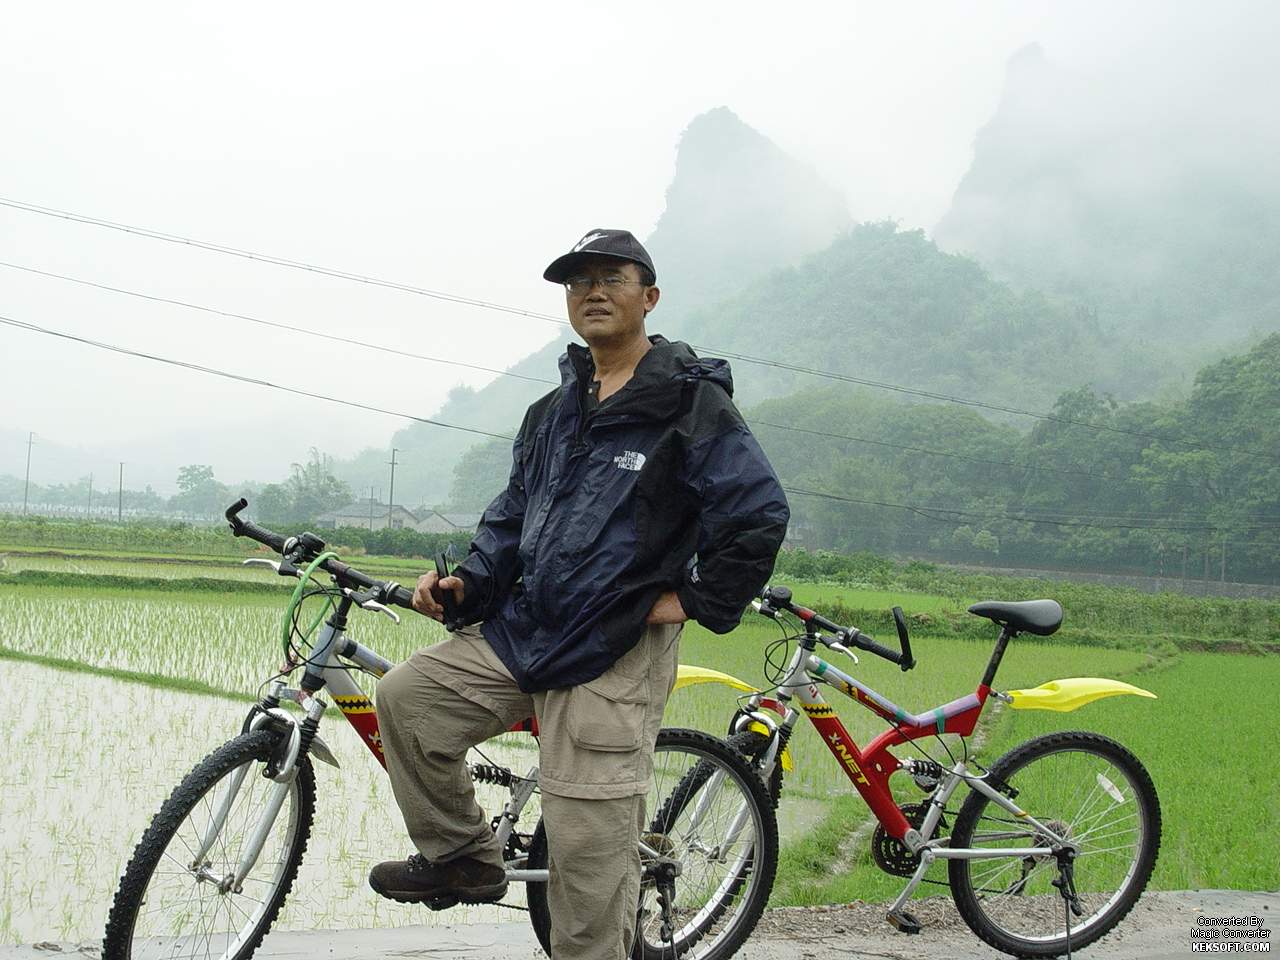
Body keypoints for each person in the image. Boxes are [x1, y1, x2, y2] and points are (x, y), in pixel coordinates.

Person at [371, 228, 790, 959]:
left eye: (610, 278)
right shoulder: (553, 411)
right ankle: (465, 855)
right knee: (408, 701)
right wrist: (470, 581)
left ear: (648, 297)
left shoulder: (689, 406)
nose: (592, 292)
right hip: (528, 628)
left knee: (586, 854)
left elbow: (757, 514)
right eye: (577, 282)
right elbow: (511, 518)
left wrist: (690, 600)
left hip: (613, 647)